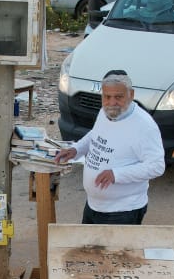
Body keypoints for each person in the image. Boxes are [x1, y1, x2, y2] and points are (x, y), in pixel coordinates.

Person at [55, 69, 165, 225]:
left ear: (131, 95)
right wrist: (77, 149)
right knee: (88, 248)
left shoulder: (144, 127)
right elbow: (96, 134)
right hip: (94, 205)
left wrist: (116, 174)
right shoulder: (105, 111)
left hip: (122, 211)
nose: (112, 102)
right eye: (107, 97)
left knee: (114, 250)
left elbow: (157, 166)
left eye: (118, 97)